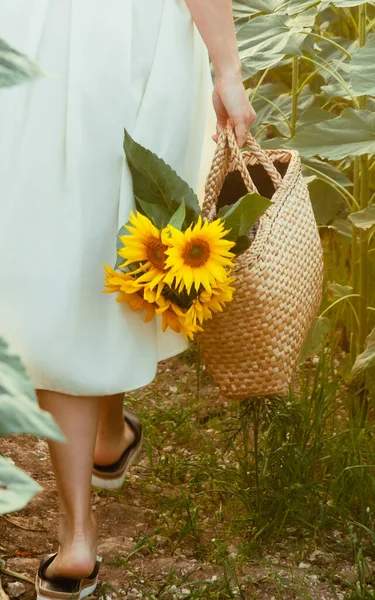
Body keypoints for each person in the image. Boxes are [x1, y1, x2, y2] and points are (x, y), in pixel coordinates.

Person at [0, 1, 255, 597]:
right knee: (117, 233)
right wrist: (228, 68)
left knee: (58, 260)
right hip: (135, 38)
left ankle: (81, 527)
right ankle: (98, 475)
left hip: (25, 29)